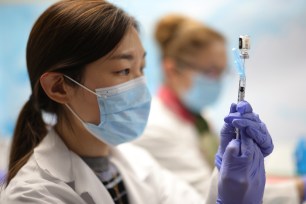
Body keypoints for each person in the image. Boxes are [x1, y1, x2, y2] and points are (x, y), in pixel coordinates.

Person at [0, 1, 272, 203]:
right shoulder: (33, 196)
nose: (140, 86)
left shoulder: (136, 163)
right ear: (59, 87)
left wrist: (230, 186)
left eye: (141, 69)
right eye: (123, 71)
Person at [132, 14, 305, 203]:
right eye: (211, 71)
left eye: (223, 71)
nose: (218, 81)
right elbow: (207, 193)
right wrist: (299, 189)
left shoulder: (200, 118)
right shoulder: (154, 127)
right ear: (172, 70)